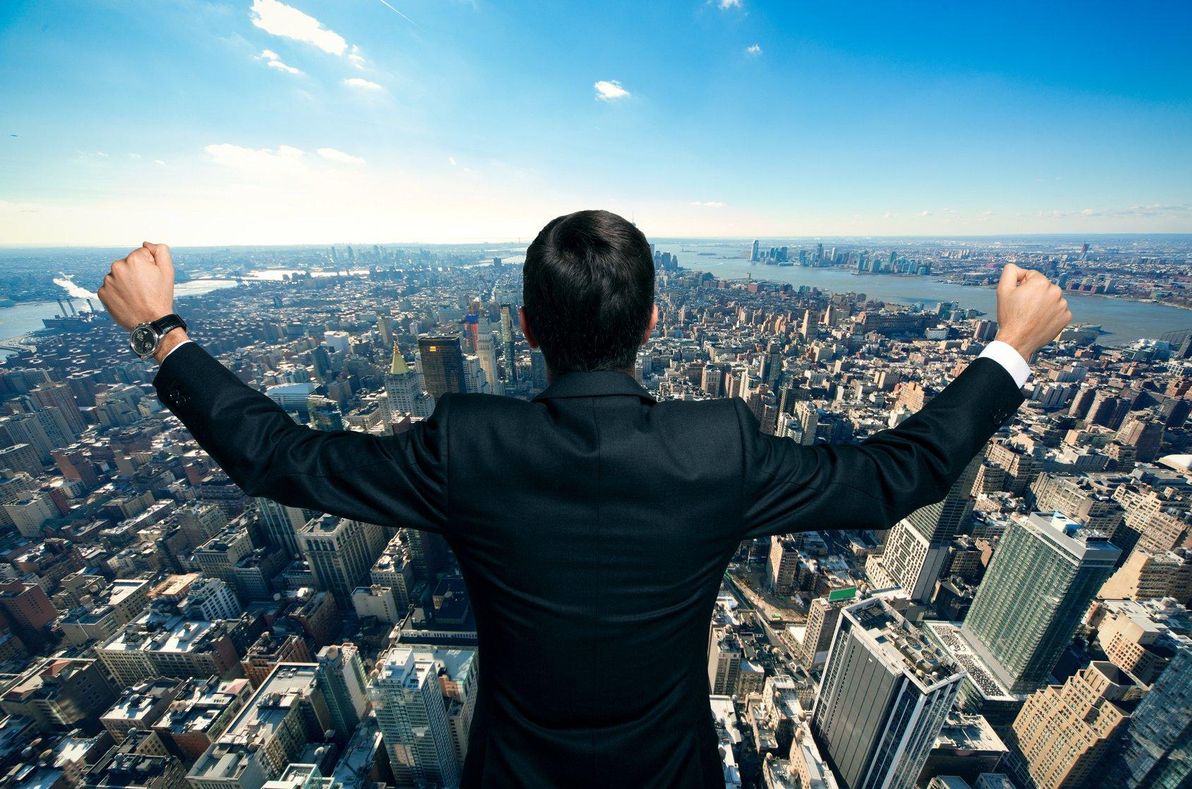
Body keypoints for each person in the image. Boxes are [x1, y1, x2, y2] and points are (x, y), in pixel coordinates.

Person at [97, 210, 1070, 788]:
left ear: (525, 326)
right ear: (652, 321)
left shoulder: (468, 444)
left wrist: (165, 335)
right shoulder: (717, 446)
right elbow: (903, 473)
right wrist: (1010, 347)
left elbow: (284, 460)